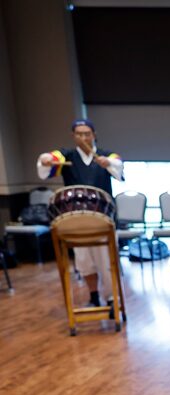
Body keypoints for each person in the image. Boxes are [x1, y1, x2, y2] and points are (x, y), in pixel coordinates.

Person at [37, 118, 124, 308]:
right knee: (84, 260)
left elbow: (118, 166)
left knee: (106, 261)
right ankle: (93, 296)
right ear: (73, 136)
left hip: (103, 217)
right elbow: (49, 159)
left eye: (87, 133)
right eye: (79, 134)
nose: (83, 137)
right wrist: (45, 159)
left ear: (94, 135)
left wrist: (107, 162)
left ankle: (112, 299)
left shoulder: (105, 154)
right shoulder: (67, 156)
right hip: (76, 218)